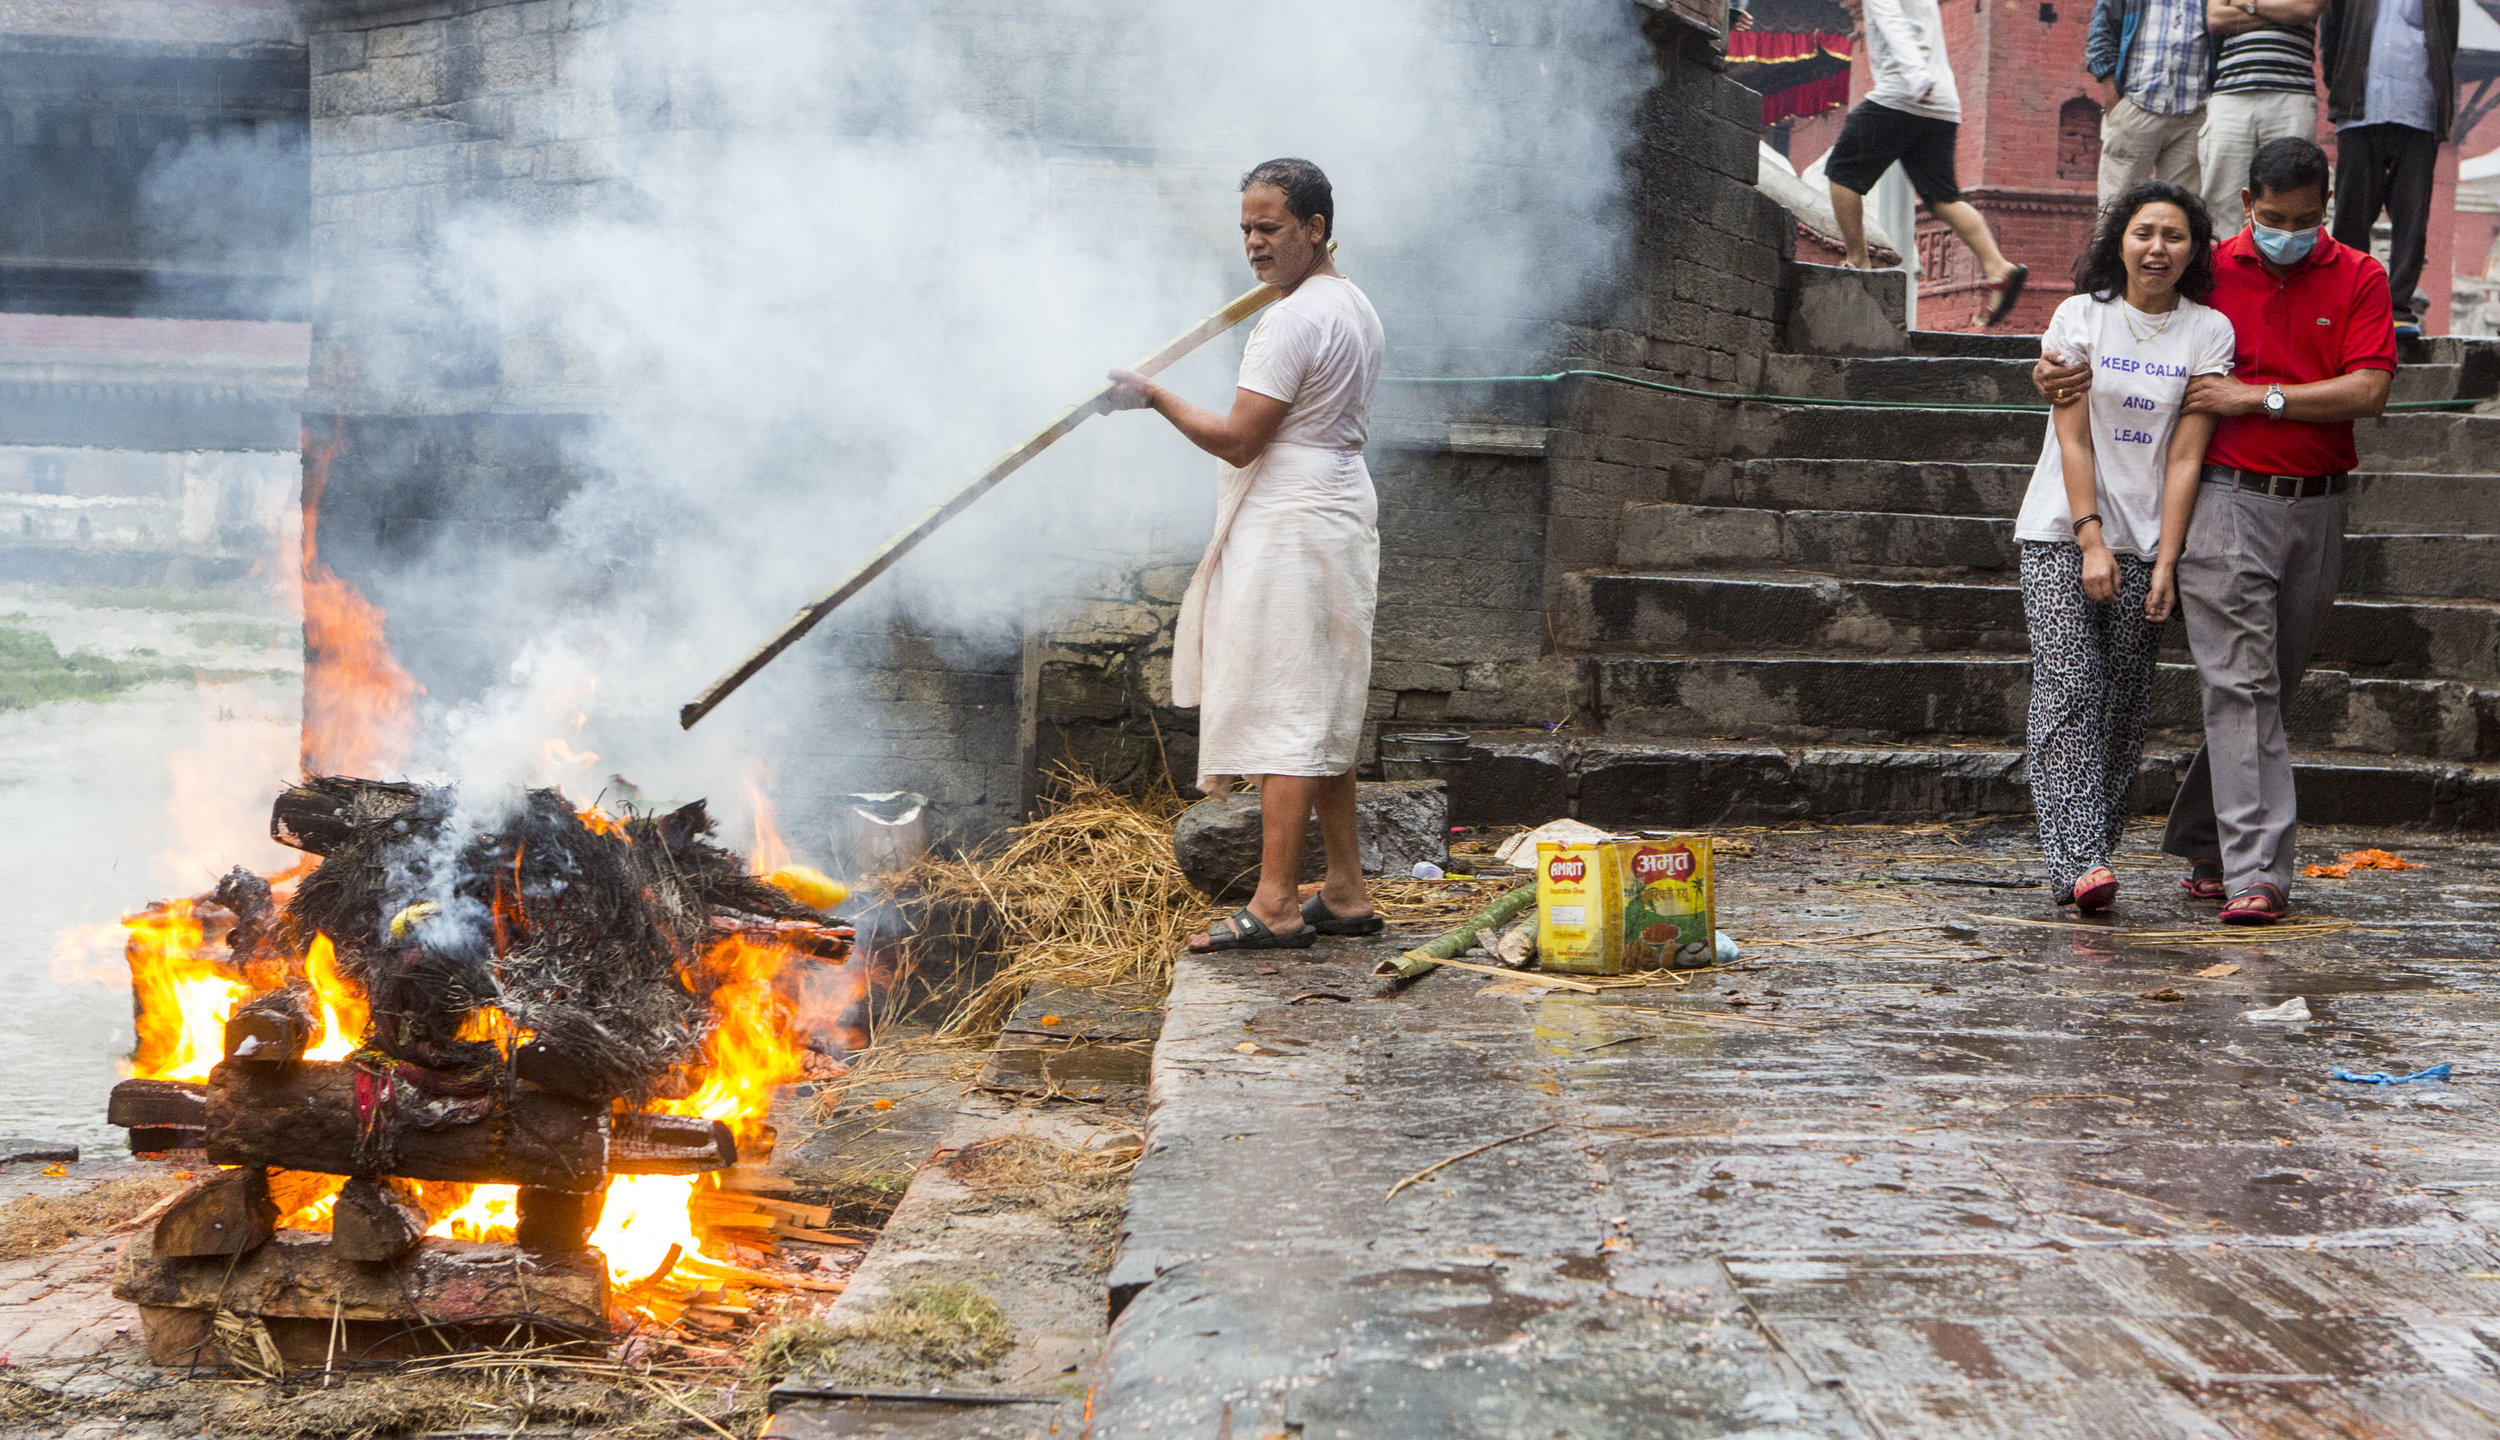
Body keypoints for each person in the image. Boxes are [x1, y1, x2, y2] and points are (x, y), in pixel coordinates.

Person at [2034, 137, 2395, 924]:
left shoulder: (2361, 275)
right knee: (2240, 685)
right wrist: (2052, 371)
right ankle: (2255, 875)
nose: (2286, 233)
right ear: (2246, 207)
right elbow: (2125, 324)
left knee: (2274, 684)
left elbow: (2368, 390)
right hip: (2226, 499)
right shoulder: (2212, 271)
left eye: (2304, 220)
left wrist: (2256, 398)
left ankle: (2205, 838)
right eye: (2272, 218)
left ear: (2326, 208)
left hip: (2321, 499)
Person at [1103, 158, 1386, 954]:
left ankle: (1275, 904)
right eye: (1247, 232)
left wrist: (1152, 396)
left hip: (1294, 520)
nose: (1255, 246)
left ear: (1316, 228)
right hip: (1333, 507)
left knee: (1290, 705)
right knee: (1322, 698)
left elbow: (1237, 440)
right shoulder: (1351, 304)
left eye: (1270, 228)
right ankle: (1345, 889)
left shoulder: (1292, 320)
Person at [2016, 182, 2235, 913]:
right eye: (2144, 232)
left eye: (2174, 235)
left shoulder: (2208, 332)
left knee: (2126, 703)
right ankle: (2076, 861)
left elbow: (2184, 457)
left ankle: (2093, 854)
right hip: (2060, 531)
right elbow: (2071, 435)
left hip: (2150, 542)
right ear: (2120, 240)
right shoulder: (2079, 317)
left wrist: (2166, 560)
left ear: (2193, 252)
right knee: (2070, 685)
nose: (2157, 247)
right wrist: (2091, 538)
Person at [1824, 0, 2029, 325]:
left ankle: (1857, 259)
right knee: (1942, 197)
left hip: (1903, 94)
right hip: (1942, 103)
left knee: (1842, 174)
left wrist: (1917, 78)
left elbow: (1892, 24)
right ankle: (1997, 267)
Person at [2322, 0, 2461, 337]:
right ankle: (2348, 302)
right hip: (2360, 108)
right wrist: (2341, 83)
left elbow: (2447, 38)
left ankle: (2399, 307)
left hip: (2418, 107)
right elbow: (2331, 34)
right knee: (2351, 215)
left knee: (2412, 220)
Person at [2199, 0, 2322, 232]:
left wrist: (2247, 5)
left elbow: (2306, 9)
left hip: (2292, 95)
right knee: (2220, 199)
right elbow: (2216, 18)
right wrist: (2280, 13)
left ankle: (2281, 266)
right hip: (2230, 95)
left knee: (2290, 192)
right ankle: (2222, 265)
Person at [2087, 0, 2214, 201]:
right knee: (2117, 205)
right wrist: (2115, 103)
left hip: (2192, 116)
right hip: (2137, 106)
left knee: (2181, 209)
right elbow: (2101, 34)